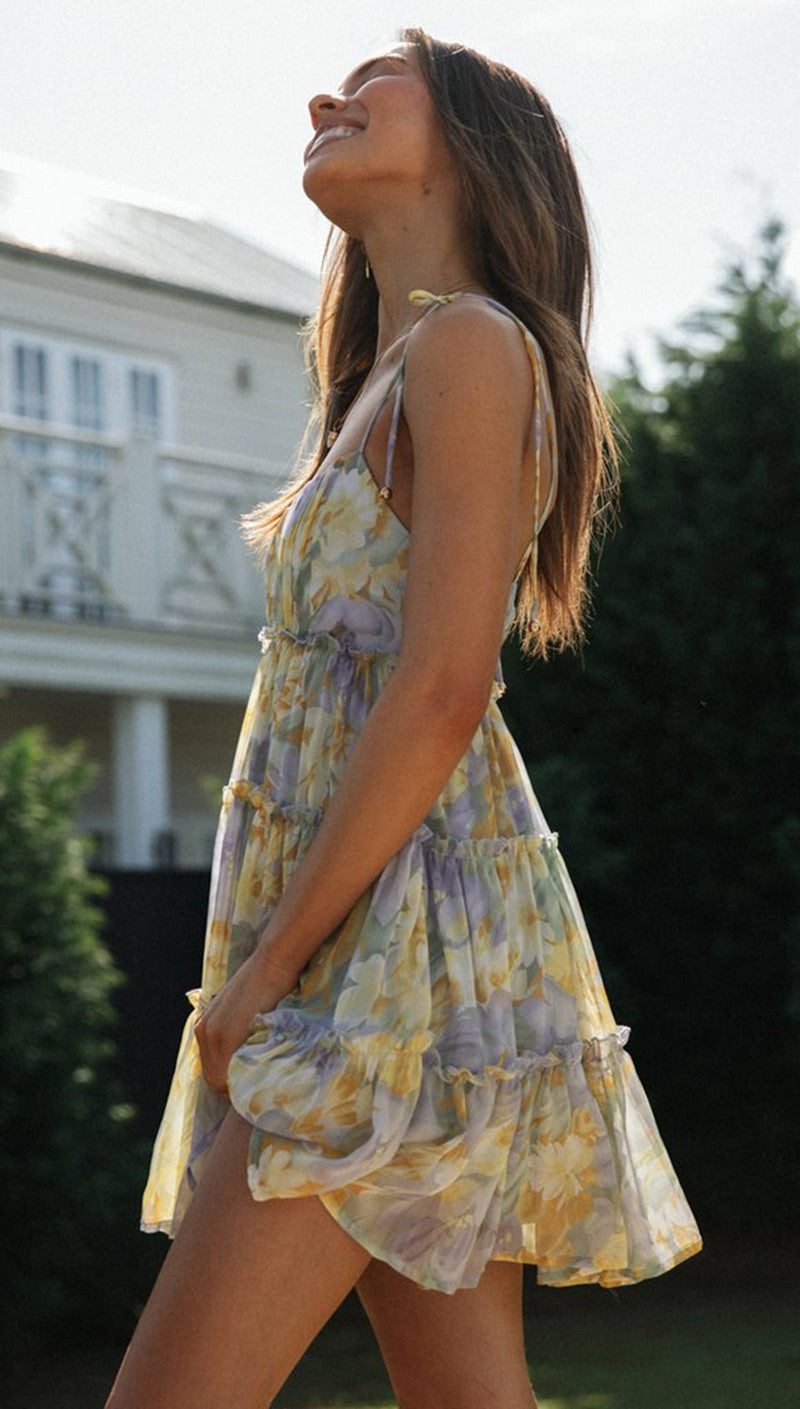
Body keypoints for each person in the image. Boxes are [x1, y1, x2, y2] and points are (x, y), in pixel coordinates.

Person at [105, 26, 702, 1409]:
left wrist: (264, 975)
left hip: (389, 973)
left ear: (474, 148)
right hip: (391, 957)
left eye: (379, 81)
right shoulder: (390, 375)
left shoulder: (471, 343)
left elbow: (442, 690)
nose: (331, 94)